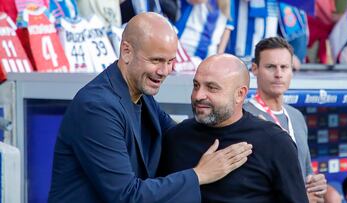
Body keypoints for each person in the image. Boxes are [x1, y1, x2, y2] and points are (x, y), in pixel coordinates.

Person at [48, 12, 253, 202]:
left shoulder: (140, 95)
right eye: (156, 60)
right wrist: (199, 175)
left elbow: (182, 137)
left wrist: (250, 128)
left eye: (170, 61)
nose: (164, 71)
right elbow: (127, 196)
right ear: (127, 51)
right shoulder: (96, 108)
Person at [160, 53, 309, 202]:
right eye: (196, 85)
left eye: (211, 88)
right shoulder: (176, 137)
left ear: (240, 94)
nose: (198, 95)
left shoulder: (275, 142)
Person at [243, 36, 327, 203]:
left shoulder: (296, 116)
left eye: (284, 67)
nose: (278, 74)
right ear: (254, 69)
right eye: (270, 67)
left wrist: (316, 185)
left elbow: (306, 170)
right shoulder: (244, 116)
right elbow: (246, 186)